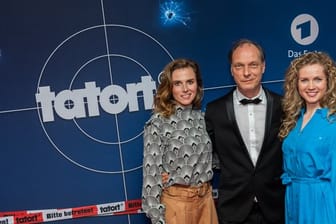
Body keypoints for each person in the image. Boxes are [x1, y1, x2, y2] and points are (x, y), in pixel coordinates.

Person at [205, 39, 285, 224]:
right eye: (239, 66)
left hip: (275, 208)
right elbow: (201, 153)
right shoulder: (214, 111)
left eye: (253, 65)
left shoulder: (285, 106)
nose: (246, 72)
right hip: (234, 210)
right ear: (232, 70)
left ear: (263, 67)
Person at [141, 58, 218, 224]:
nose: (185, 89)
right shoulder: (158, 123)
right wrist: (158, 218)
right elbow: (151, 177)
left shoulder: (202, 117)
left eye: (190, 82)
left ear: (197, 84)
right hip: (177, 204)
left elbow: (214, 158)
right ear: (170, 87)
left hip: (206, 201)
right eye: (178, 83)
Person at [278, 51, 336, 224]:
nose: (311, 86)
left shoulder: (333, 121)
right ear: (296, 84)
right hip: (293, 198)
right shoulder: (294, 119)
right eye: (304, 80)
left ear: (329, 82)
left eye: (318, 79)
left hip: (321, 201)